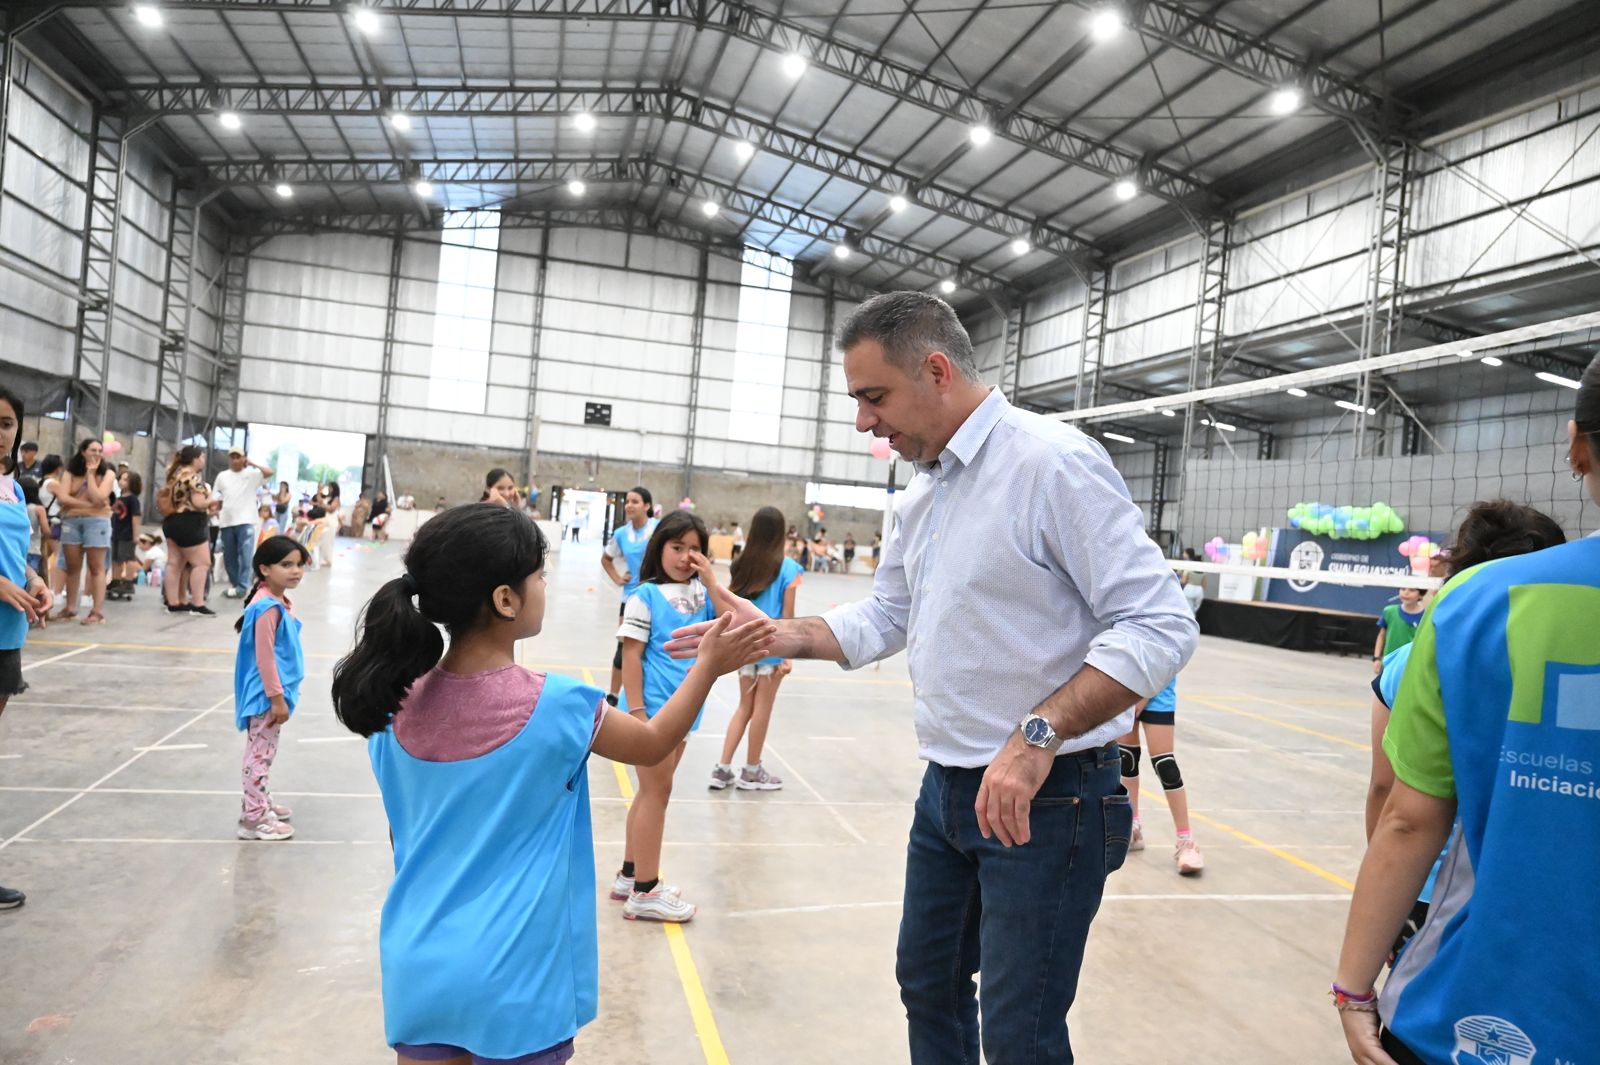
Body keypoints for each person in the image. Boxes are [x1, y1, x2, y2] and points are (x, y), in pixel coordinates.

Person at [666, 291, 1197, 1064]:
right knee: (928, 984)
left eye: (874, 396)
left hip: (1048, 797)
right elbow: (889, 614)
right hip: (946, 790)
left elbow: (1159, 623)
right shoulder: (924, 493)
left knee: (1019, 1033)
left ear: (937, 371)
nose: (863, 422)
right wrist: (776, 633)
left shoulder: (1051, 464)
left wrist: (1038, 733)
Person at [329, 504, 771, 1065]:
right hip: (518, 976)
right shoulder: (559, 706)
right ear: (505, 599)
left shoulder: (390, 708)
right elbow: (654, 742)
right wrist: (708, 666)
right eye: (539, 576)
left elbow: (404, 841)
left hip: (418, 963)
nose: (545, 585)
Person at [1334, 351, 1600, 1065]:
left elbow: (1405, 814)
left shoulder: (1475, 604)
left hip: (1480, 1016)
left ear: (1576, 446)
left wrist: (1353, 990)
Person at [1360, 502, 1565, 957]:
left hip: (1426, 881)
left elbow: (1384, 789)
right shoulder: (1572, 663)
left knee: (1418, 996)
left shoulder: (1409, 663)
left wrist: (1387, 886)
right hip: (1535, 879)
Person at [611, 510, 720, 923]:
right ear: (660, 548)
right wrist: (638, 713)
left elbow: (729, 618)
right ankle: (645, 890)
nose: (685, 556)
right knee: (657, 793)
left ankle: (630, 874)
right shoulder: (645, 595)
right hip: (653, 711)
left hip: (684, 709)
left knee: (652, 792)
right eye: (677, 547)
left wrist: (712, 581)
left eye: (694, 549)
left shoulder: (701, 593)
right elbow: (631, 655)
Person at [0, 390, 56, 910]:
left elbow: (14, 554)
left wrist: (34, 580)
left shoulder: (15, 487)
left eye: (6, 423)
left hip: (7, 632)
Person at [711, 506, 803, 791]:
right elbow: (787, 616)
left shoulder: (741, 564)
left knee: (744, 707)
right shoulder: (789, 568)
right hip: (772, 647)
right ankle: (751, 771)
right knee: (762, 709)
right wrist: (788, 654)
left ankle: (722, 769)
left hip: (745, 646)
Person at [232, 535, 310, 841]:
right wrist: (276, 699)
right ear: (265, 569)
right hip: (267, 694)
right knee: (259, 755)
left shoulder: (274, 600)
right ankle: (254, 818)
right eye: (286, 565)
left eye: (299, 564)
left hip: (273, 691)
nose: (296, 571)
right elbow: (265, 658)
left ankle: (259, 801)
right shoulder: (268, 608)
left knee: (263, 750)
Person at [1118, 678, 1204, 874]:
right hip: (1125, 689)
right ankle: (1132, 829)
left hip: (1157, 691)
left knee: (1165, 765)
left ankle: (1185, 841)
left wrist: (1144, 695)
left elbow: (1169, 661)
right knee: (1126, 760)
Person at [600, 486, 657, 709]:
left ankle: (644, 696)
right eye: (628, 501)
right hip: (632, 598)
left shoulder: (658, 529)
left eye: (635, 501)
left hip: (657, 596)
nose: (629, 505)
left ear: (647, 506)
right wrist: (617, 578)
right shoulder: (621, 534)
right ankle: (613, 695)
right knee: (624, 647)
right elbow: (606, 559)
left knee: (652, 648)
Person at [54, 438, 116, 625]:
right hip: (71, 521)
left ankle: (96, 611)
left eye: (99, 451)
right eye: (92, 450)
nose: (97, 454)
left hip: (97, 522)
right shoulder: (70, 472)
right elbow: (63, 497)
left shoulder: (108, 474)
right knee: (72, 565)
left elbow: (99, 497)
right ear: (83, 452)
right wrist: (87, 505)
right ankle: (70, 607)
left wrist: (90, 475)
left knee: (96, 567)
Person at [158, 446, 217, 617]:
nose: (203, 460)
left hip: (172, 521)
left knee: (174, 562)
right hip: (190, 522)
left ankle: (173, 603)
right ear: (195, 459)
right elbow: (199, 503)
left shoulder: (175, 474)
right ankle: (198, 604)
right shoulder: (193, 478)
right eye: (202, 457)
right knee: (202, 563)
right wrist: (212, 499)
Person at [213, 447, 274, 599]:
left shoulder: (251, 475)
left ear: (243, 458)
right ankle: (236, 585)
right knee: (229, 557)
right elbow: (216, 496)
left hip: (246, 521)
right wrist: (215, 511)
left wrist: (253, 464)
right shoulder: (222, 476)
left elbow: (269, 472)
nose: (235, 460)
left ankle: (242, 586)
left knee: (245, 555)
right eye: (232, 457)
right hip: (227, 522)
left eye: (238, 457)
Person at [1373, 585, 1426, 675]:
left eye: (1412, 590)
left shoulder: (1426, 615)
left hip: (1412, 665)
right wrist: (1376, 658)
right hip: (1390, 663)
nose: (1406, 592)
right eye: (1403, 589)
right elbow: (1381, 636)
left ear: (1421, 594)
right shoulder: (1389, 611)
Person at [108, 470, 143, 599]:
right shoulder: (119, 497)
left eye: (125, 479)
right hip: (116, 532)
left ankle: (128, 582)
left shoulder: (133, 500)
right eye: (121, 479)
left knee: (128, 558)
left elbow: (136, 517)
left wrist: (136, 534)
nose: (121, 481)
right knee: (116, 558)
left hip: (127, 533)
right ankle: (116, 580)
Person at [1179, 548, 1204, 614]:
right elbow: (1204, 584)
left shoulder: (1188, 564)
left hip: (1187, 589)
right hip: (1198, 591)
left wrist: (1178, 580)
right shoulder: (1195, 564)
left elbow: (1183, 580)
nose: (1183, 554)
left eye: (1184, 553)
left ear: (1188, 554)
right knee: (1192, 611)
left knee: (1186, 610)